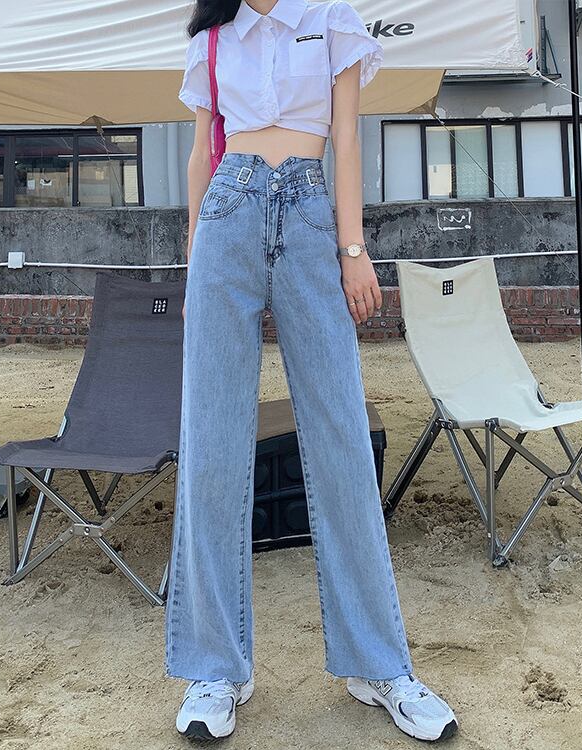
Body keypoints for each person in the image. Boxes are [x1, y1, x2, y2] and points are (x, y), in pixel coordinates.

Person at [166, 0, 458, 742]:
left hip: (308, 215)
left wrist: (353, 249)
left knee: (342, 443)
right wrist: (195, 253)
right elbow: (201, 153)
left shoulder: (332, 18)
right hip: (226, 219)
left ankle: (378, 663)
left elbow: (347, 138)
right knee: (211, 446)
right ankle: (216, 667)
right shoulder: (212, 38)